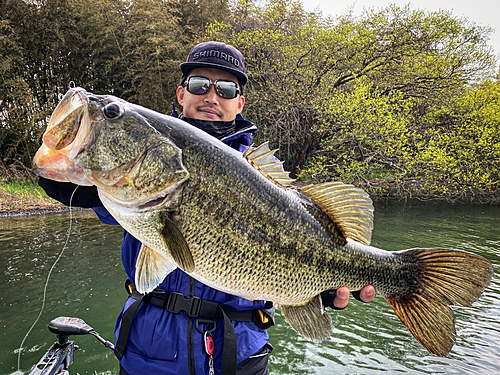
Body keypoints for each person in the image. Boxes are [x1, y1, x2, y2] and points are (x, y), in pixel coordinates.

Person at [39, 41, 375, 375]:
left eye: (226, 89)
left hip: (237, 356)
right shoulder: (129, 180)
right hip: (147, 353)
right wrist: (68, 168)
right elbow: (74, 182)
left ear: (240, 102)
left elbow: (314, 238)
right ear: (181, 94)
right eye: (199, 85)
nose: (211, 96)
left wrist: (320, 286)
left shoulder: (265, 171)